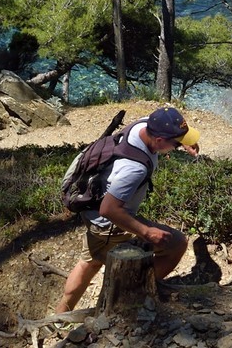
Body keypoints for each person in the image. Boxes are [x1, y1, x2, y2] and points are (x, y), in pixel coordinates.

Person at [56, 106, 201, 313]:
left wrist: (184, 142)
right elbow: (109, 209)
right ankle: (127, 300)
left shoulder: (144, 124)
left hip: (92, 209)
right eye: (176, 143)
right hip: (106, 222)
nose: (177, 146)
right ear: (159, 141)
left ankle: (61, 315)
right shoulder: (134, 168)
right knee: (177, 244)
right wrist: (146, 232)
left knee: (90, 262)